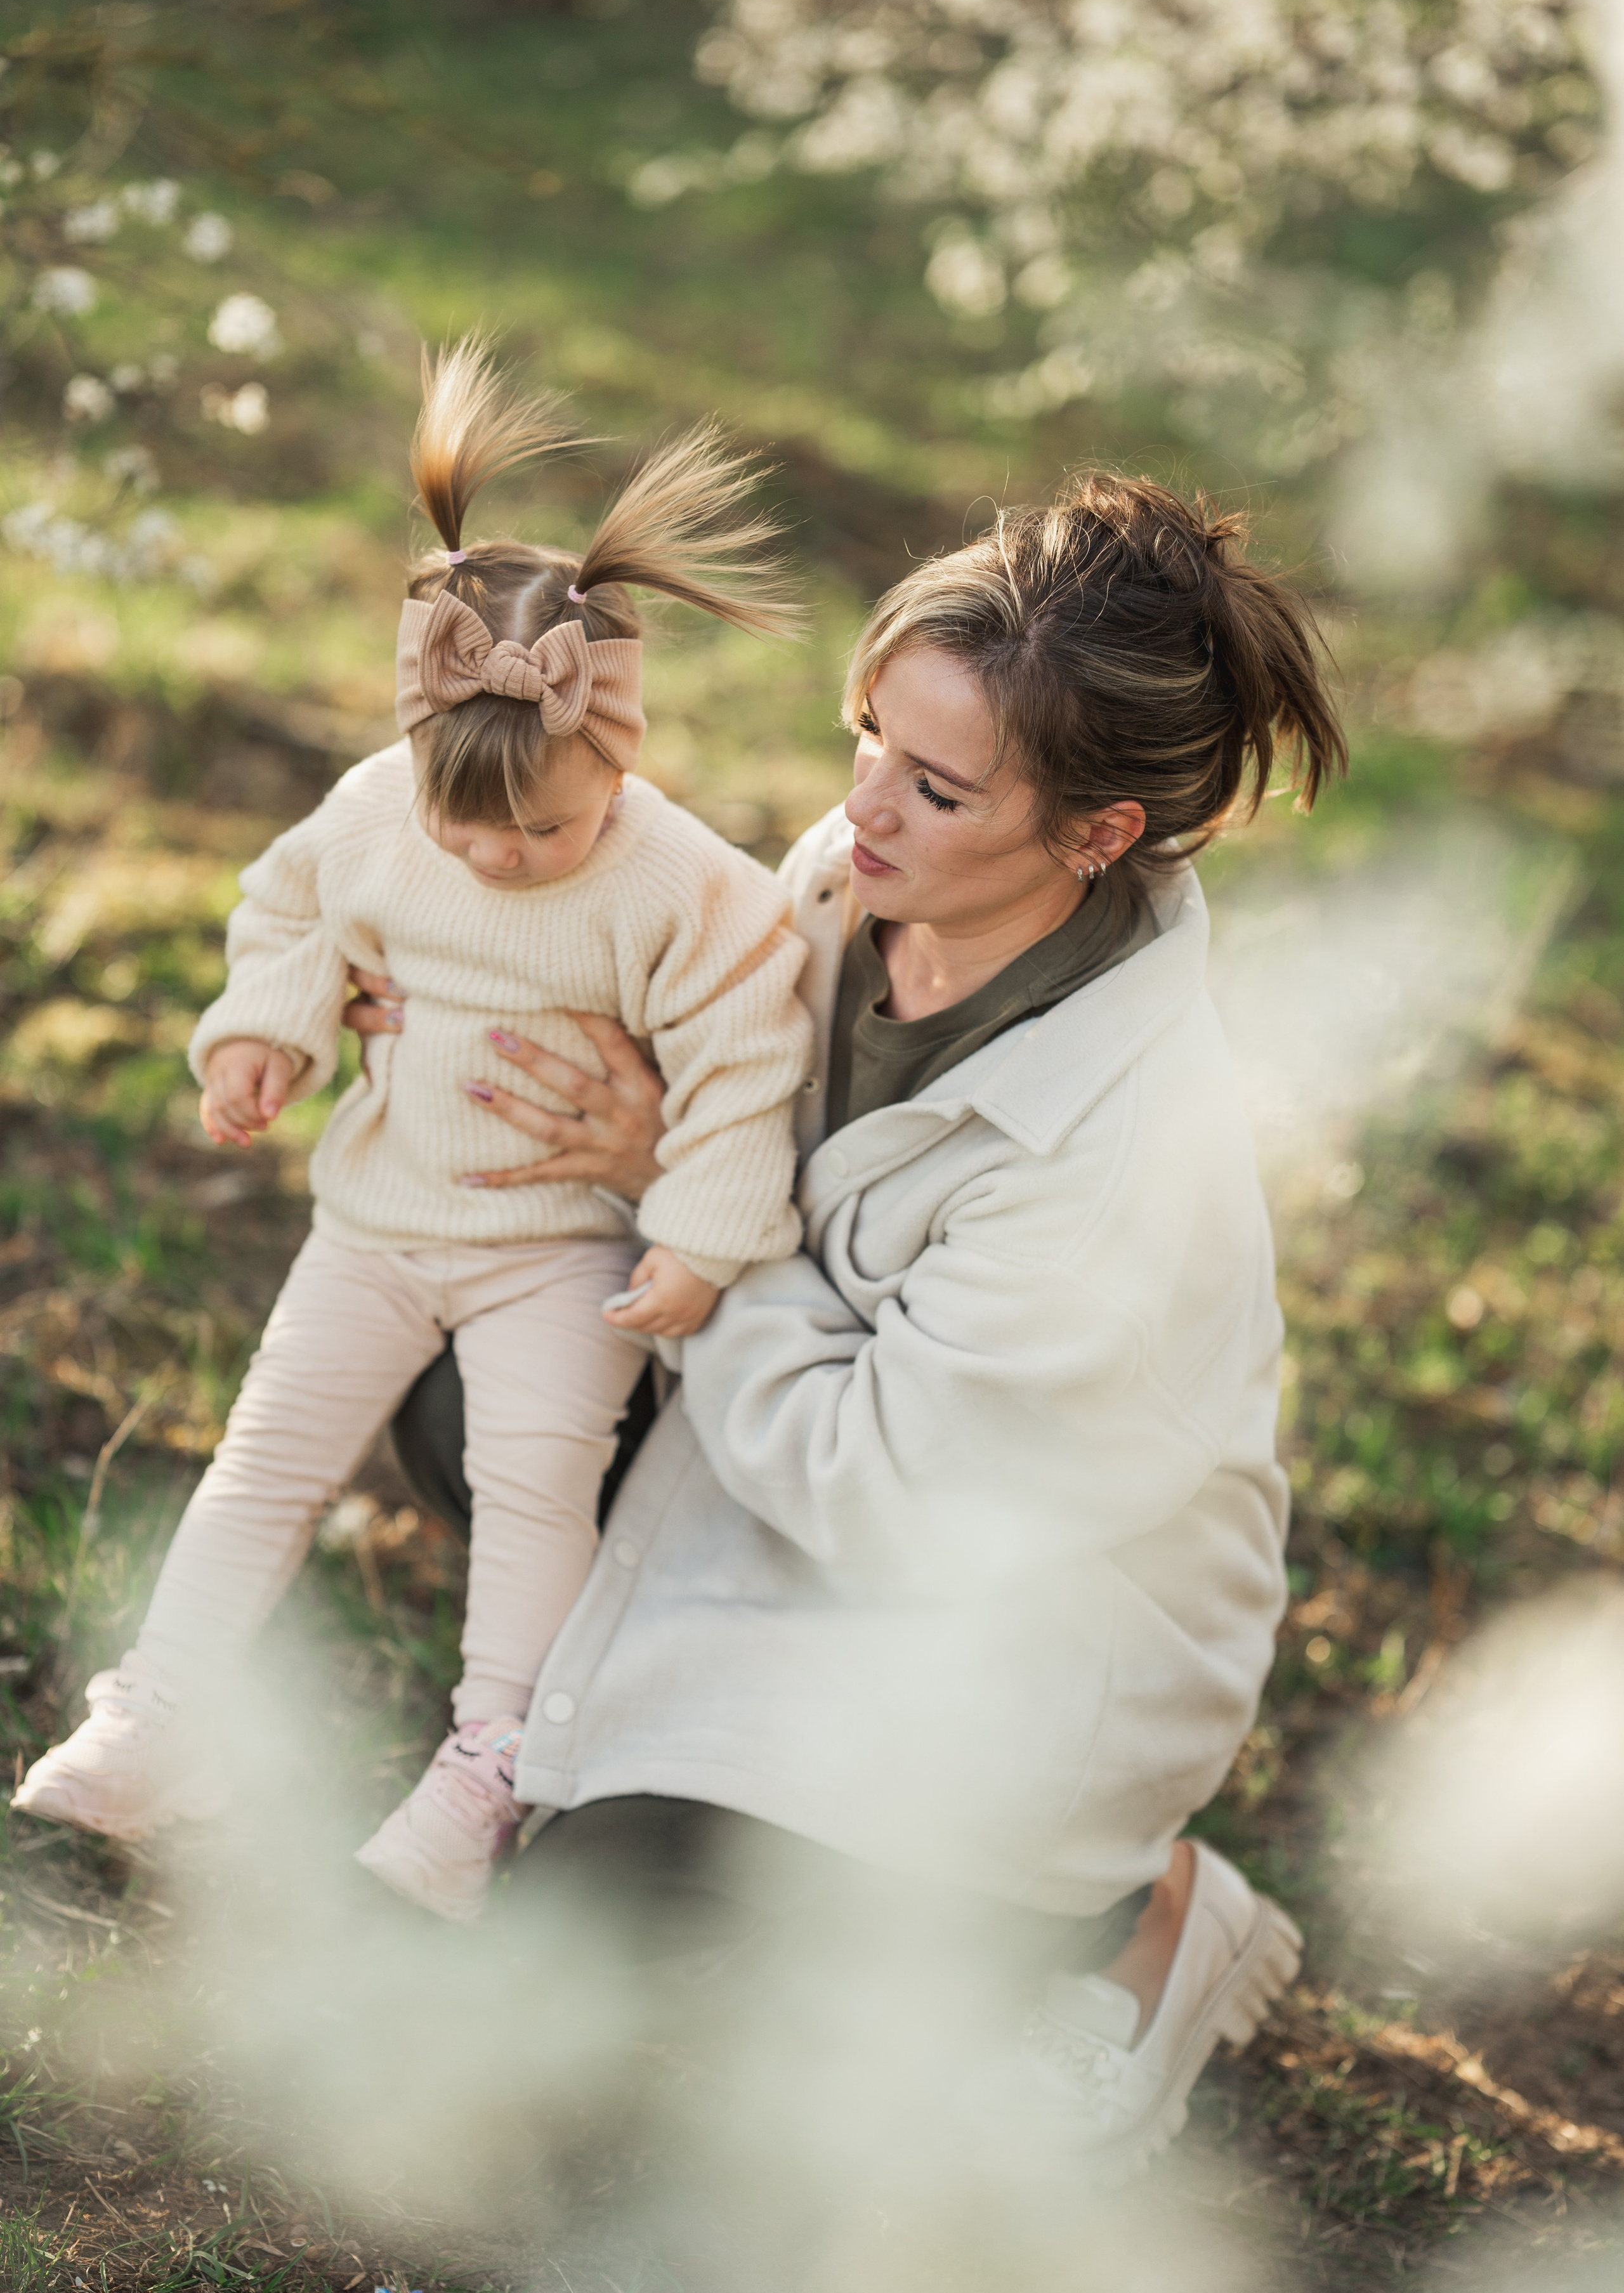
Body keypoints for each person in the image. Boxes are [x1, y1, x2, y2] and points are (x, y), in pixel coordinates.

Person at [374, 469, 1347, 2170]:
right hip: (798, 1476)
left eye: (937, 785)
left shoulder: (1125, 1154)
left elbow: (885, 1490)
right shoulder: (870, 877)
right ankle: (657, 1750)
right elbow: (705, 1055)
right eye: (866, 742)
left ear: (1098, 835)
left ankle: (1127, 1915)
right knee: (477, 1397)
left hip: (1014, 1636)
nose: (864, 808)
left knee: (617, 1923)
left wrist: (685, 1184)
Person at [13, 341, 814, 1921]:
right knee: (265, 1462)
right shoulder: (379, 808)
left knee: (534, 1488)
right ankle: (160, 1717)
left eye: (547, 829)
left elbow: (747, 1059)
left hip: (554, 1256)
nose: (501, 860)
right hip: (374, 1224)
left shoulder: (683, 886)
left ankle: (488, 1770)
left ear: (621, 755)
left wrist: (697, 1243)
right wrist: (265, 1030)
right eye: (469, 826)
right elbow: (293, 909)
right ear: (413, 760)